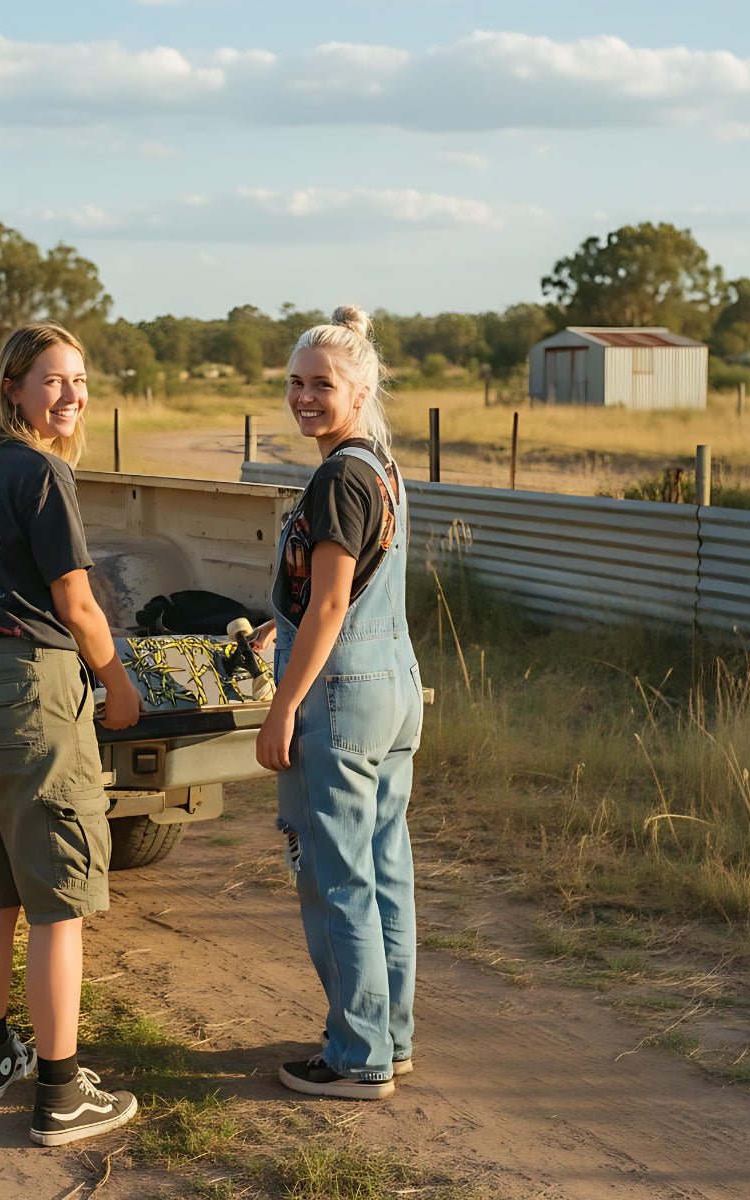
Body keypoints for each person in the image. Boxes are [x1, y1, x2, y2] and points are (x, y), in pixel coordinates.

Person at [0, 322, 142, 1146]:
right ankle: (61, 1094)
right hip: (28, 691)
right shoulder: (44, 471)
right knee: (58, 903)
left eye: (81, 380)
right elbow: (77, 601)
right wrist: (117, 683)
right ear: (14, 387)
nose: (71, 395)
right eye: (53, 380)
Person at [251, 305, 423, 1100]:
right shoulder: (381, 466)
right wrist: (273, 624)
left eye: (321, 384)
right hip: (393, 688)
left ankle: (356, 1057)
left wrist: (283, 705)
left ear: (360, 389)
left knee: (335, 876)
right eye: (295, 382)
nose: (303, 397)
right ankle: (390, 1034)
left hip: (342, 696)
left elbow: (328, 608)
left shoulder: (337, 477)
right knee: (384, 870)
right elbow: (336, 594)